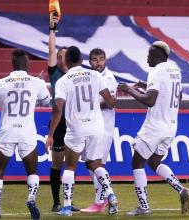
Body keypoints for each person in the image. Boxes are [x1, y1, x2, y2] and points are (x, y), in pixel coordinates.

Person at [0, 49, 50, 220]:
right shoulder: (37, 82)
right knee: (33, 171)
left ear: (12, 64)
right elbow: (47, 102)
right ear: (27, 64)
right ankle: (31, 197)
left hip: (7, 131)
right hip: (27, 132)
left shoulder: (2, 83)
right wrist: (39, 88)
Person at [118, 41, 189, 216]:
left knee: (137, 163)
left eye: (149, 54)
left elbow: (150, 100)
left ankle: (143, 207)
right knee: (154, 162)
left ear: (157, 56)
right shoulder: (175, 71)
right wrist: (147, 85)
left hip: (154, 127)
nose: (147, 57)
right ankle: (182, 190)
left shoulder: (156, 71)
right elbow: (178, 95)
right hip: (171, 127)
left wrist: (129, 90)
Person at [45, 46, 119, 216]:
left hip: (76, 127)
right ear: (81, 60)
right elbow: (110, 102)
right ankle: (111, 195)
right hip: (96, 127)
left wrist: (50, 134)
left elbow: (57, 108)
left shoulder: (65, 80)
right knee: (94, 164)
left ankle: (66, 207)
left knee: (70, 167)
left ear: (66, 61)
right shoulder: (95, 75)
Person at [47, 14, 79, 213]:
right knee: (57, 163)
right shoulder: (54, 73)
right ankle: (56, 202)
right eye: (57, 56)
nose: (59, 58)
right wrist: (52, 30)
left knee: (71, 164)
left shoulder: (78, 74)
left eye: (62, 56)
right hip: (59, 123)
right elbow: (51, 49)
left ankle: (68, 202)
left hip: (75, 122)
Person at [80, 48, 118, 213]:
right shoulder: (90, 77)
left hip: (104, 128)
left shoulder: (108, 78)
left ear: (105, 60)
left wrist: (87, 104)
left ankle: (102, 201)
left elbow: (110, 103)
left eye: (101, 59)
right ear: (89, 62)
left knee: (97, 164)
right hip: (93, 127)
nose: (98, 62)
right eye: (95, 59)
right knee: (91, 164)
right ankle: (103, 199)